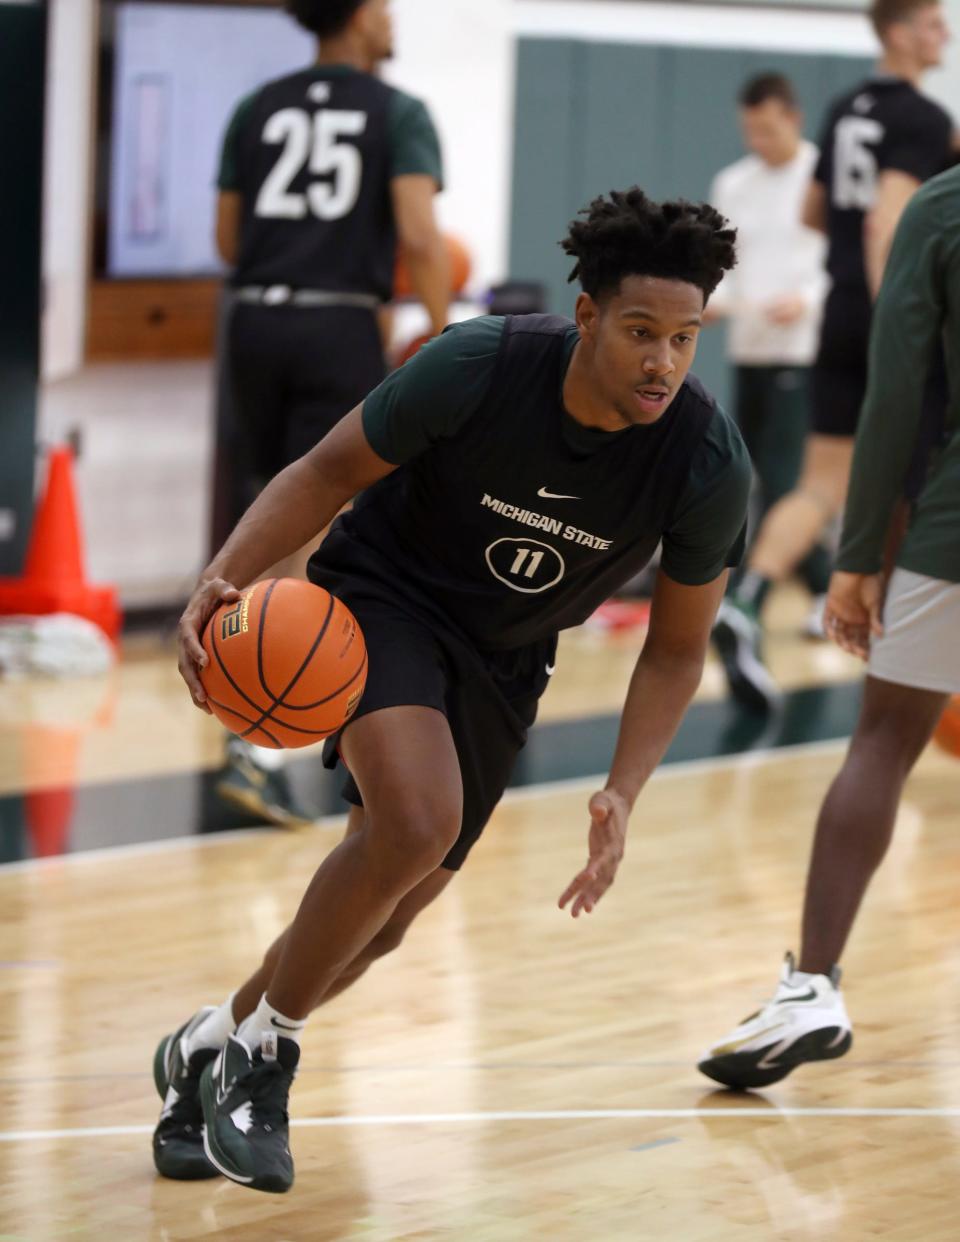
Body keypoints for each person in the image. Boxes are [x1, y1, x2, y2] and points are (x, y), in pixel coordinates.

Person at [151, 188, 751, 1191]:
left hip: (504, 656)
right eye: (643, 331)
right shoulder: (479, 366)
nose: (664, 361)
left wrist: (622, 790)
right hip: (384, 594)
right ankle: (266, 1056)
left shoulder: (703, 461)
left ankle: (207, 1048)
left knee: (386, 918)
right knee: (416, 821)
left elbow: (677, 651)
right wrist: (228, 573)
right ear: (589, 315)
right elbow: (327, 468)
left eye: (685, 338)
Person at [699, 163, 960, 1090]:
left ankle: (812, 986)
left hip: (952, 526)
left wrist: (855, 558)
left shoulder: (942, 207)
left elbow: (894, 397)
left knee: (884, 744)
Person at [214, 0, 450, 824]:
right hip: (338, 320)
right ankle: (258, 726)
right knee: (314, 523)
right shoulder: (399, 111)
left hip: (253, 320)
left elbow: (226, 235)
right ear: (357, 17)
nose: (393, 17)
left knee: (265, 511)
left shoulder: (258, 105)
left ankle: (252, 703)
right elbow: (422, 236)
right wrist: (443, 333)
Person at [713, 0, 953, 710]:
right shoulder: (922, 117)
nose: (944, 36)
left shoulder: (846, 106)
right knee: (918, 478)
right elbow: (889, 217)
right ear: (903, 32)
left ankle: (747, 598)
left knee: (822, 484)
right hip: (885, 307)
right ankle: (904, 645)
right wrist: (902, 317)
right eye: (937, 24)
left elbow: (815, 215)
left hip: (836, 310)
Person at [707, 72, 830, 639]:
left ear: (794, 119)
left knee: (784, 479)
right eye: (749, 130)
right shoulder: (733, 182)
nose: (759, 140)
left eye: (768, 129)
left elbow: (838, 264)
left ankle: (763, 595)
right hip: (749, 347)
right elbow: (724, 265)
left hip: (802, 350)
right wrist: (710, 302)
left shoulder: (820, 175)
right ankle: (821, 588)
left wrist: (805, 300)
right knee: (749, 473)